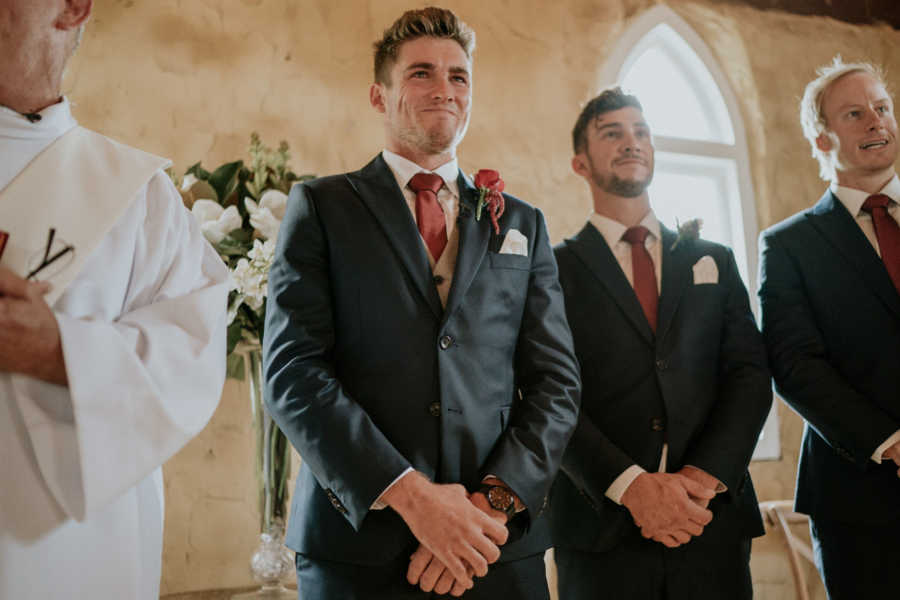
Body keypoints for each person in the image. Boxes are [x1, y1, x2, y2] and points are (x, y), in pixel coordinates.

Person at [263, 6, 580, 600]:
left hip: (496, 550)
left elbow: (555, 384)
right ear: (379, 97)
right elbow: (292, 374)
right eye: (421, 74)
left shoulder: (523, 224)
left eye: (459, 76)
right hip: (358, 548)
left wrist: (487, 509)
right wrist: (412, 497)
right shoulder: (323, 208)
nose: (445, 90)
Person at [0, 1, 228, 598]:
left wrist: (58, 352)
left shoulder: (138, 197)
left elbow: (193, 362)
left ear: (73, 7)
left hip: (70, 556)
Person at [549, 88, 772, 599]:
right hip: (601, 527)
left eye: (641, 132)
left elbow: (749, 375)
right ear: (580, 163)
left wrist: (702, 477)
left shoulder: (711, 258)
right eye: (613, 133)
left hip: (710, 519)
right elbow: (549, 395)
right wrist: (633, 487)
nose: (632, 142)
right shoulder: (552, 270)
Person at [759, 57, 900, 599]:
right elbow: (794, 365)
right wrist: (892, 445)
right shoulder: (790, 244)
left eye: (882, 108)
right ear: (821, 138)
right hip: (860, 504)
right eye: (854, 113)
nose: (875, 121)